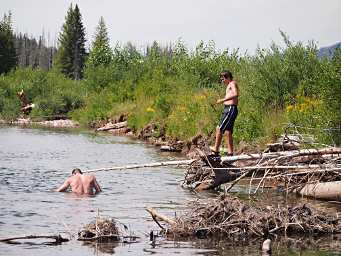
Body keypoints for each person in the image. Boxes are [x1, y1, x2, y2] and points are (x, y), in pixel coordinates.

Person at [210, 70, 239, 156]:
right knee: (227, 131)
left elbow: (236, 94)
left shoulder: (232, 83)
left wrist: (222, 100)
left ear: (228, 77)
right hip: (229, 109)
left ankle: (216, 150)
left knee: (219, 128)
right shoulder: (230, 85)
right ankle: (230, 153)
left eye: (223, 79)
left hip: (230, 109)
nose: (222, 81)